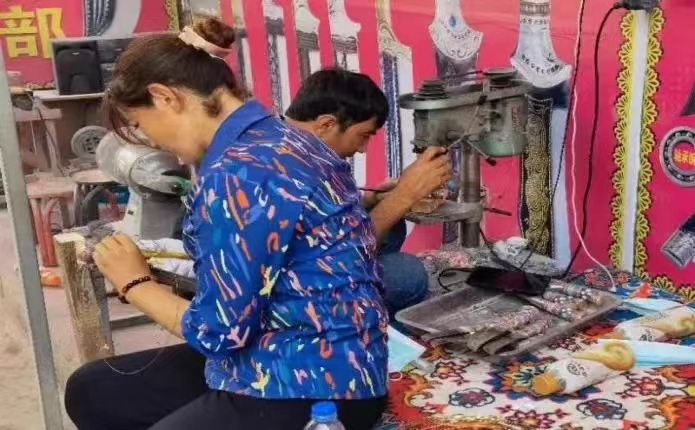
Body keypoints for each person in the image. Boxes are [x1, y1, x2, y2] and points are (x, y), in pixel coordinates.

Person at [64, 18, 451, 430]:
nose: (152, 141)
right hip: (275, 345)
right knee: (92, 389)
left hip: (316, 382)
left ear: (165, 97)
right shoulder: (278, 138)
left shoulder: (240, 172)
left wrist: (134, 282)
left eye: (142, 125)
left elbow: (219, 332)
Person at [285, 69, 451, 318]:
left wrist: (371, 199)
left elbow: (319, 219)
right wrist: (404, 195)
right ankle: (372, 326)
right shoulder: (290, 167)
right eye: (363, 136)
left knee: (391, 226)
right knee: (408, 273)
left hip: (311, 254)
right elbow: (343, 255)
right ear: (326, 124)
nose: (363, 149)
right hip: (299, 292)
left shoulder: (292, 140)